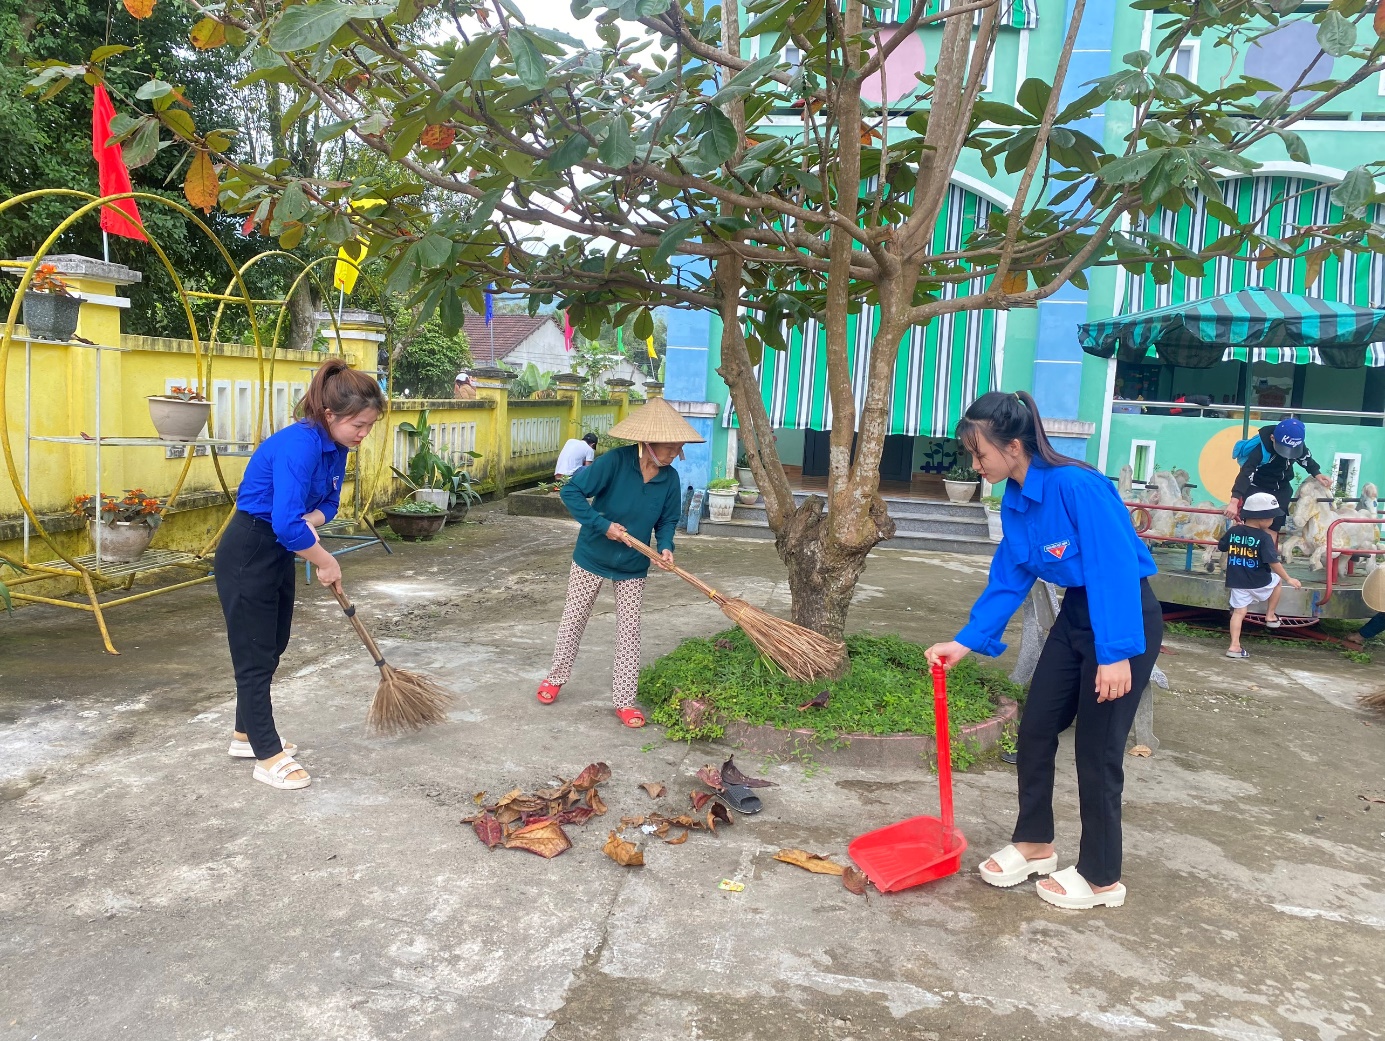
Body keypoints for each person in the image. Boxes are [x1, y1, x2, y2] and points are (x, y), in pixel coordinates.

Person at [926, 390, 1162, 911]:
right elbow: (1010, 575)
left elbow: (1114, 567)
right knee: (1035, 729)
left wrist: (1116, 652)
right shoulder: (1015, 497)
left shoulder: (1076, 486)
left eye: (979, 451)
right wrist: (965, 642)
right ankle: (1035, 844)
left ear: (1013, 446)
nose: (975, 462)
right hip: (1077, 615)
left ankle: (1102, 878)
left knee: (1097, 751)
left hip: (1123, 618)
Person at [216, 359, 384, 791]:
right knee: (253, 656)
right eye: (359, 425)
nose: (363, 434)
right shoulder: (300, 445)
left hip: (280, 547)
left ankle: (244, 734)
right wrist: (325, 560)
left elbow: (327, 505)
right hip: (249, 549)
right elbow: (284, 523)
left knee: (273, 644)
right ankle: (267, 754)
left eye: (369, 425)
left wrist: (313, 518)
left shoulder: (337, 448)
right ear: (331, 414)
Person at [536, 399, 700, 728]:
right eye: (671, 446)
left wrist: (666, 547)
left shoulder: (670, 479)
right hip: (592, 557)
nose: (675, 452)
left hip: (633, 565)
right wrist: (602, 525)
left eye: (678, 447)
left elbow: (667, 520)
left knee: (629, 631)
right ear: (648, 443)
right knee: (574, 618)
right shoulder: (614, 462)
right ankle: (555, 678)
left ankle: (624, 701)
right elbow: (571, 493)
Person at [1218, 492, 1303, 658]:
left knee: (1238, 613)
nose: (1273, 521)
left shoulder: (1234, 531)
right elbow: (1273, 562)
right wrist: (1288, 578)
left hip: (1237, 582)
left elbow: (1222, 547)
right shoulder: (1264, 538)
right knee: (1277, 581)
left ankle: (1234, 646)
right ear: (1262, 518)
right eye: (1272, 518)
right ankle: (1270, 615)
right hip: (1259, 581)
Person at [1226, 417, 1332, 534]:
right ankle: (1252, 548)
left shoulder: (1296, 443)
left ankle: (1269, 551)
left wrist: (1317, 473)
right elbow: (1246, 473)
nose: (1287, 454)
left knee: (1274, 523)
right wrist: (1234, 502)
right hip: (1258, 485)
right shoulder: (1261, 449)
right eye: (1284, 449)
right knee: (1254, 520)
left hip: (1281, 487)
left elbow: (1305, 458)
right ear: (1272, 438)